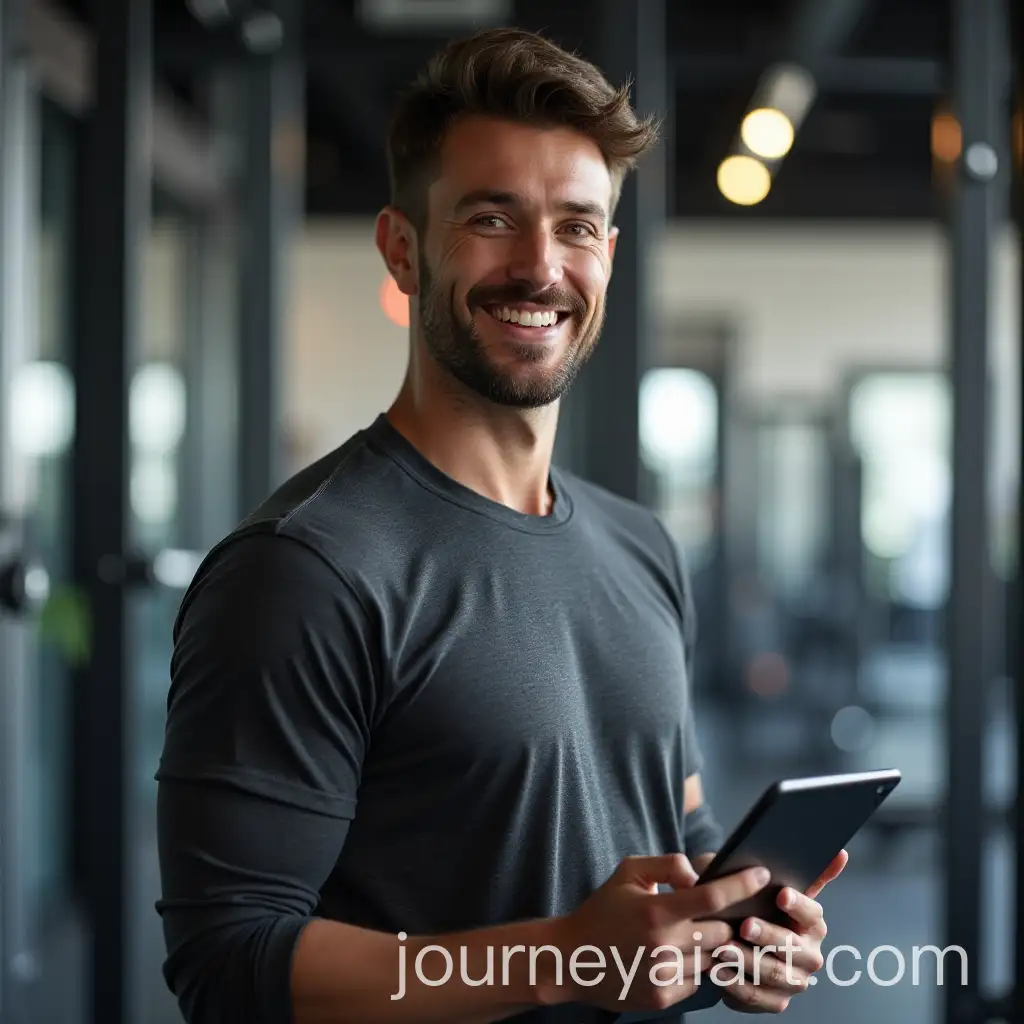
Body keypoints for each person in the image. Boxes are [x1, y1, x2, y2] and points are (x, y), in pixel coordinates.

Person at [155, 26, 847, 1024]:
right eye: (491, 218)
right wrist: (562, 955)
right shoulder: (304, 569)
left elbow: (675, 819)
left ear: (606, 257)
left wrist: (736, 920)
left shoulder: (641, 547)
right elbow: (231, 963)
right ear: (403, 247)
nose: (538, 267)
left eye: (575, 227)